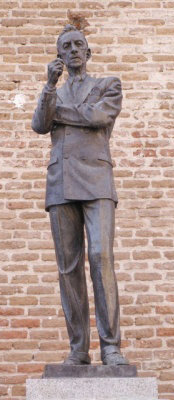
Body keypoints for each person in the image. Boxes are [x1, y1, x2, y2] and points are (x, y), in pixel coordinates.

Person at [32, 24, 128, 366]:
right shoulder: (52, 93)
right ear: (59, 55)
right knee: (68, 267)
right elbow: (40, 125)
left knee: (101, 258)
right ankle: (78, 349)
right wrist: (48, 87)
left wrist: (61, 112)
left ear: (88, 52)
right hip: (60, 183)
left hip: (97, 181)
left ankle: (111, 347)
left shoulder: (108, 85)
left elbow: (99, 116)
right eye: (67, 47)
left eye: (79, 45)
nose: (73, 50)